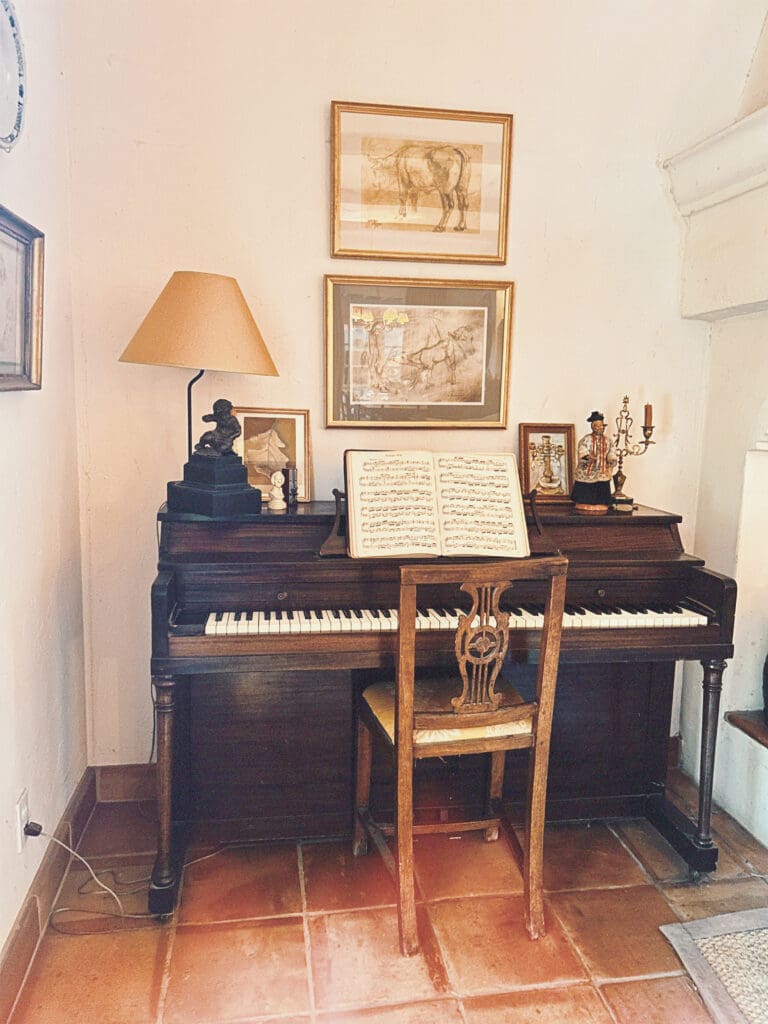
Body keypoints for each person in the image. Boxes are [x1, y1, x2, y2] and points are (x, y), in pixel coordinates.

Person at [571, 411, 617, 513]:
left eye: (601, 426)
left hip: (602, 469)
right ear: (593, 427)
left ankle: (601, 502)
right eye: (597, 426)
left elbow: (611, 451)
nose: (599, 428)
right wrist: (588, 457)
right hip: (588, 469)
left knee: (602, 484)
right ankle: (584, 502)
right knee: (586, 486)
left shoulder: (608, 440)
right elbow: (582, 450)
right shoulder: (586, 439)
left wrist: (612, 459)